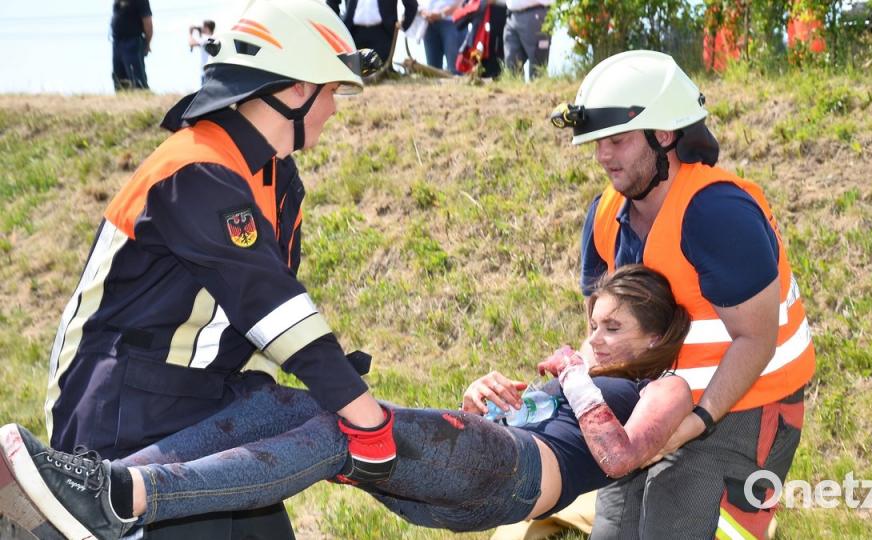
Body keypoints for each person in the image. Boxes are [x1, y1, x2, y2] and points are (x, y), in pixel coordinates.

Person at [2, 265, 693, 539]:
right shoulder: (581, 377)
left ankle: (123, 497)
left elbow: (622, 455)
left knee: (344, 430)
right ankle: (82, 490)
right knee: (286, 407)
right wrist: (490, 401)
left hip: (513, 480)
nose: (595, 339)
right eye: (592, 322)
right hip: (483, 475)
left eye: (614, 328)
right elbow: (537, 430)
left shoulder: (664, 386)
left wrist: (572, 375)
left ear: (656, 336)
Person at [43, 0, 389, 538]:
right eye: (332, 90)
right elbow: (270, 304)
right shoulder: (197, 167)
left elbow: (264, 304)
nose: (336, 109)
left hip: (200, 409)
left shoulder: (273, 175)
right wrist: (366, 419)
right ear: (296, 87)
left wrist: (336, 382)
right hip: (124, 418)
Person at [550, 50, 815, 539]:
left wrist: (694, 422)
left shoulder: (718, 213)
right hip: (656, 403)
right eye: (596, 142)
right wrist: (557, 391)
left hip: (743, 407)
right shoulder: (605, 215)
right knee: (614, 531)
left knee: (673, 523)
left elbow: (756, 340)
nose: (603, 156)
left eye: (617, 140)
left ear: (665, 135)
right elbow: (603, 336)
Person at [327, 0, 419, 70]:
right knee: (353, 76)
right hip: (352, 33)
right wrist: (337, 25)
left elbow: (411, 4)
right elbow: (332, 2)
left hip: (382, 34)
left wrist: (403, 25)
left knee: (379, 74)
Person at [503, 0, 553, 80]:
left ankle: (538, 90)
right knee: (512, 65)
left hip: (536, 13)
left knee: (537, 68)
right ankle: (516, 90)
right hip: (512, 15)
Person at [110, 0, 152, 91]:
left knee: (137, 79)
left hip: (132, 41)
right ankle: (123, 100)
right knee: (119, 79)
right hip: (117, 42)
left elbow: (148, 22)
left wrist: (147, 44)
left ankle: (142, 98)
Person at [419, 0, 466, 74]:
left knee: (455, 70)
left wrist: (441, 14)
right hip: (429, 22)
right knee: (433, 71)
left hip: (453, 21)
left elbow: (461, 2)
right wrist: (422, 11)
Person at [188, 19, 216, 85]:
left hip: (207, 72)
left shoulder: (206, 38)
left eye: (203, 26)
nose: (201, 28)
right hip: (212, 71)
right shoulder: (214, 38)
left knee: (206, 94)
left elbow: (191, 43)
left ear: (206, 28)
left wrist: (190, 32)